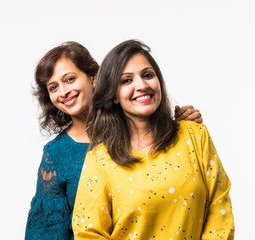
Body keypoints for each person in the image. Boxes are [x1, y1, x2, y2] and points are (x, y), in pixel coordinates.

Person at [24, 41, 203, 240]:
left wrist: (180, 130)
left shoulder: (141, 125)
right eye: (53, 87)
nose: (63, 92)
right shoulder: (56, 154)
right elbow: (47, 232)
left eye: (70, 79)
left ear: (93, 78)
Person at [72, 40, 234, 239]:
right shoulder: (100, 160)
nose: (141, 85)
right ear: (114, 95)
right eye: (126, 80)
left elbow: (219, 210)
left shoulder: (195, 136)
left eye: (148, 75)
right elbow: (88, 233)